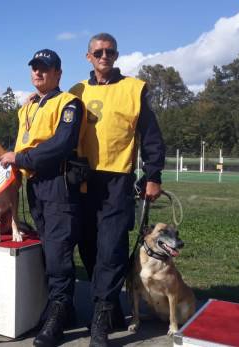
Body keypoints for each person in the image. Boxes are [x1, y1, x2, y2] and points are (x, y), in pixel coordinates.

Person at [69, 33, 165, 347]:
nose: (104, 56)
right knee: (89, 247)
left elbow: (151, 136)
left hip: (117, 180)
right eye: (98, 51)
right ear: (88, 56)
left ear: (116, 54)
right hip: (82, 179)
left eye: (110, 51)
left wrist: (153, 175)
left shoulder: (133, 89)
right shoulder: (76, 91)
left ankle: (101, 316)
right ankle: (109, 307)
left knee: (111, 248)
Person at [0, 49, 86, 347]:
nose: (38, 73)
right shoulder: (27, 107)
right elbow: (22, 141)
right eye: (35, 68)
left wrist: (21, 158)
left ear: (58, 73)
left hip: (58, 183)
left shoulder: (69, 103)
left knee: (59, 252)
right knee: (48, 248)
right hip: (35, 185)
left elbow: (61, 145)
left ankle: (57, 316)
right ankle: (66, 308)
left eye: (45, 68)